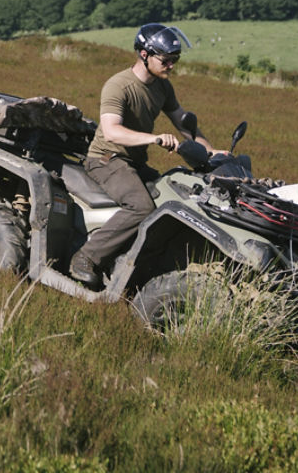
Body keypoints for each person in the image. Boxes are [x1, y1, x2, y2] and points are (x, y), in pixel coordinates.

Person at [71, 23, 222, 289]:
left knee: (174, 197)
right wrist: (153, 138)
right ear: (144, 54)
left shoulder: (163, 87)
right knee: (141, 207)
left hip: (135, 163)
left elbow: (184, 124)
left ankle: (140, 260)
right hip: (106, 159)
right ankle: (85, 258)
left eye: (175, 60)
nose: (171, 66)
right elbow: (111, 131)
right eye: (166, 60)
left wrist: (211, 152)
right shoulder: (118, 86)